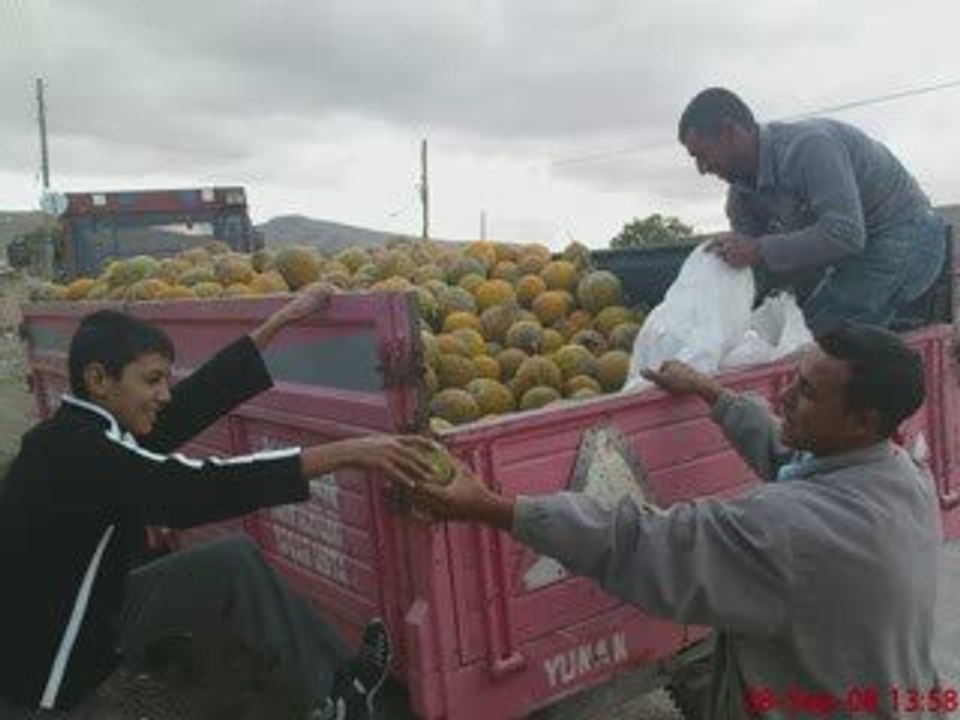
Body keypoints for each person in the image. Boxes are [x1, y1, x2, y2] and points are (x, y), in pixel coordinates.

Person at [411, 324, 942, 719]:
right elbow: (793, 460)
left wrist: (491, 506)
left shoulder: (791, 530)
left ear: (863, 420)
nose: (783, 397)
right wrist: (712, 393)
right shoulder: (902, 474)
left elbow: (645, 542)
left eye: (806, 392)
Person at [0, 286, 435, 720]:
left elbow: (188, 406)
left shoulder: (81, 430)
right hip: (41, 676)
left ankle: (341, 694)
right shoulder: (81, 453)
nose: (165, 394)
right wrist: (349, 452)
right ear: (98, 379)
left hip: (101, 608)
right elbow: (195, 491)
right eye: (152, 380)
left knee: (231, 561)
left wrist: (278, 324)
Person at [678, 87, 948, 334]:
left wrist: (757, 249)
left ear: (730, 132)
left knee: (819, 332)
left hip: (906, 235)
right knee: (779, 324)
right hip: (850, 252)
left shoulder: (811, 146)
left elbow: (845, 235)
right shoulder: (741, 192)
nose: (702, 169)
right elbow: (752, 264)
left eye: (702, 155)